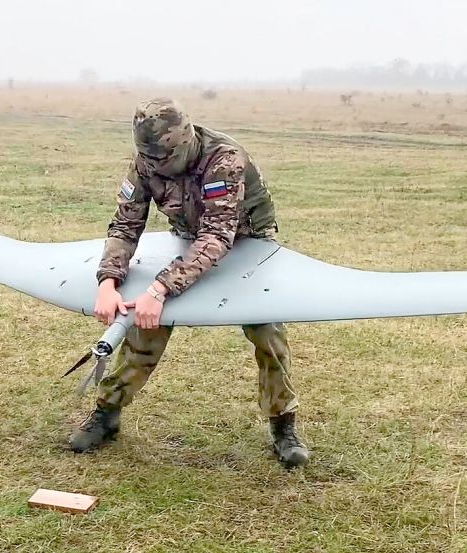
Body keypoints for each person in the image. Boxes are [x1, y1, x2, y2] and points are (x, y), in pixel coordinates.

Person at [69, 97, 309, 468]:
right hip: (187, 239)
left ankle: (283, 423)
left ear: (186, 141)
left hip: (249, 243)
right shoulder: (146, 161)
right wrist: (109, 280)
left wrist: (160, 288)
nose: (157, 167)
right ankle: (107, 412)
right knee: (145, 323)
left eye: (165, 159)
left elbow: (217, 236)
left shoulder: (224, 160)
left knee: (267, 330)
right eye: (150, 160)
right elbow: (125, 225)